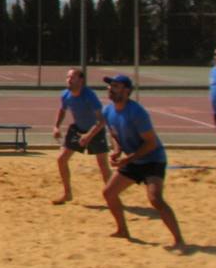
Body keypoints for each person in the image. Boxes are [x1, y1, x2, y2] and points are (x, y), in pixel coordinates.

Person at [100, 74, 186, 250]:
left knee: (155, 199)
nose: (110, 89)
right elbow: (115, 135)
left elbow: (151, 143)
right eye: (110, 86)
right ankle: (123, 230)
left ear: (127, 91)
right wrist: (116, 151)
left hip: (152, 159)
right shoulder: (108, 111)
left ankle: (179, 239)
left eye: (115, 86)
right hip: (132, 160)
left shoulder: (137, 112)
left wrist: (128, 159)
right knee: (109, 193)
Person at [49, 68, 110, 204]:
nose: (69, 80)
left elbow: (102, 120)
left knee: (102, 164)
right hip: (78, 129)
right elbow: (62, 110)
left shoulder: (89, 96)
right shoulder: (65, 95)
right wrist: (56, 126)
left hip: (95, 130)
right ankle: (67, 193)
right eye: (68, 77)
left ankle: (112, 195)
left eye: (73, 77)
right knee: (61, 160)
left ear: (81, 80)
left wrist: (89, 136)